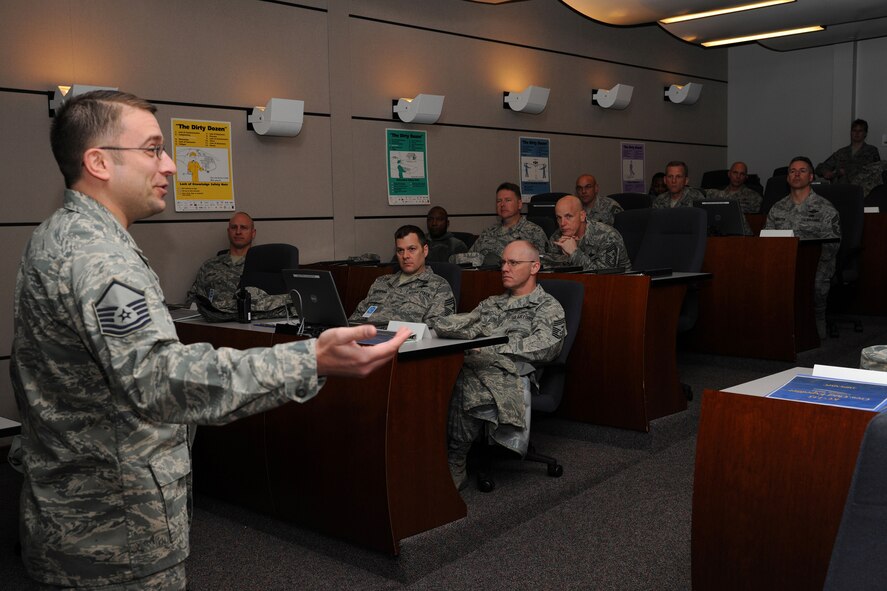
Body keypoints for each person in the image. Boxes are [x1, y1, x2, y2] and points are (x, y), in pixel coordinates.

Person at [10, 90, 410, 590]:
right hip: (116, 532)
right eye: (153, 148)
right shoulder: (99, 257)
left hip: (71, 515)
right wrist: (311, 360)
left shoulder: (55, 234)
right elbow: (160, 380)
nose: (171, 165)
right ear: (98, 162)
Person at [436, 240, 565, 490]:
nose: (505, 268)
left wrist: (491, 349)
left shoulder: (547, 307)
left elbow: (547, 346)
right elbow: (466, 324)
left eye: (513, 263)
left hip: (515, 371)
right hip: (478, 362)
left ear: (535, 266)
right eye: (503, 262)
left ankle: (456, 459)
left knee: (465, 382)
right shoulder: (491, 303)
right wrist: (439, 326)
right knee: (440, 374)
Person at [765, 156, 841, 339]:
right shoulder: (777, 208)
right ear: (787, 178)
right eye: (792, 171)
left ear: (811, 177)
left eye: (802, 171)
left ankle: (817, 320)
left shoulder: (825, 208)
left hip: (817, 262)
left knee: (814, 281)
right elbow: (768, 239)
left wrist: (807, 259)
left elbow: (832, 244)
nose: (796, 175)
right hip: (784, 261)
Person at [350, 225, 456, 327]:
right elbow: (354, 321)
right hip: (366, 340)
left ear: (425, 250)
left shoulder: (438, 287)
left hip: (407, 343)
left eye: (412, 249)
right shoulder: (381, 282)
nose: (405, 256)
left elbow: (435, 332)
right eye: (400, 250)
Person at [457, 182, 550, 266]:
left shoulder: (534, 232)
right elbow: (468, 261)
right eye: (499, 201)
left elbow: (543, 265)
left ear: (519, 204)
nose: (502, 204)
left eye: (508, 200)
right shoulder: (488, 233)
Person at [184, 211, 255, 306]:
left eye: (243, 228)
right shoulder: (210, 266)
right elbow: (192, 301)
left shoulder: (262, 265)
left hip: (247, 319)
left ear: (253, 233)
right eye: (234, 227)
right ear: (228, 231)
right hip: (213, 319)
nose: (238, 232)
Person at [549, 195, 630, 271]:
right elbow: (551, 271)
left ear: (582, 216)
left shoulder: (608, 236)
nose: (562, 223)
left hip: (620, 283)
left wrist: (574, 253)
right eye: (559, 218)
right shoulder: (556, 238)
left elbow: (603, 277)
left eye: (568, 217)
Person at [815, 119, 882, 184]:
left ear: (865, 133)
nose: (857, 133)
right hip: (841, 190)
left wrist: (844, 171)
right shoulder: (841, 152)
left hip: (862, 191)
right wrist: (825, 172)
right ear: (851, 132)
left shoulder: (871, 151)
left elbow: (878, 173)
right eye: (854, 130)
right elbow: (820, 168)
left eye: (860, 131)